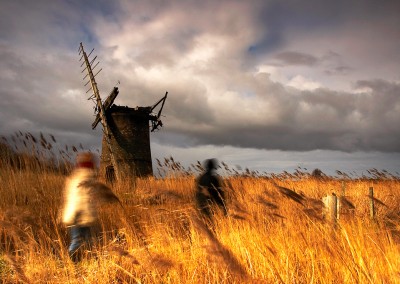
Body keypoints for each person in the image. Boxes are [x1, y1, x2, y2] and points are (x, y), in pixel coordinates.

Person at [62, 152, 101, 262]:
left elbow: (69, 197)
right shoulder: (88, 178)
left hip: (72, 213)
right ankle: (76, 261)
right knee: (84, 240)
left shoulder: (73, 178)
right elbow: (85, 199)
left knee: (77, 239)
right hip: (82, 214)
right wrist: (90, 215)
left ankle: (79, 261)